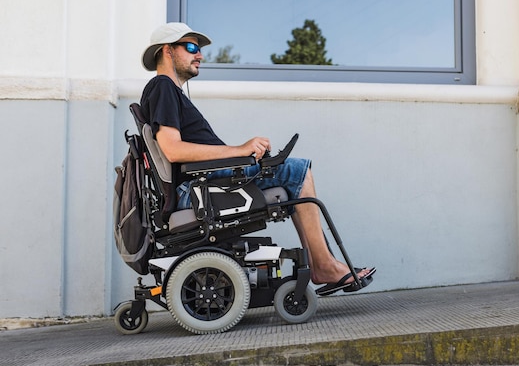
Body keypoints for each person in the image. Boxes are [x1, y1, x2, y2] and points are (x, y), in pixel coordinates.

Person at [139, 22, 374, 295]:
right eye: (192, 47)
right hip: (197, 189)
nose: (200, 55)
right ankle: (323, 266)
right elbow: (173, 150)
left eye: (199, 49)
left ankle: (323, 264)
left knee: (289, 171)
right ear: (167, 51)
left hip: (203, 182)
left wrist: (243, 156)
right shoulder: (162, 87)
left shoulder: (167, 91)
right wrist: (240, 150)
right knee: (297, 171)